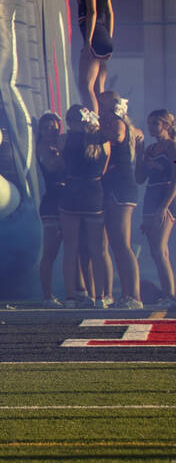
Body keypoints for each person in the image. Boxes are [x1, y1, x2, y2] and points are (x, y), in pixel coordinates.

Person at [59, 105, 111, 308]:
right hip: (94, 193)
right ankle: (100, 297)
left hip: (72, 192)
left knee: (71, 248)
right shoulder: (103, 141)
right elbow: (104, 169)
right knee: (97, 249)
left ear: (71, 122)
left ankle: (71, 297)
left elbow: (62, 165)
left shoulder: (64, 139)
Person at [96, 91, 143, 309]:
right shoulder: (112, 122)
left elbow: (115, 136)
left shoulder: (117, 123)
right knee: (114, 244)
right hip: (111, 188)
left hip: (122, 188)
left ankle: (134, 296)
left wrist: (93, 131)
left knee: (123, 244)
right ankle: (120, 294)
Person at [137, 109, 176, 306]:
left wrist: (164, 206)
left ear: (166, 126)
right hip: (150, 198)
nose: (151, 127)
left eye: (155, 123)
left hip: (165, 199)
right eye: (149, 123)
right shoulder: (150, 150)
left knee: (160, 249)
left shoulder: (173, 148)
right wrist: (138, 154)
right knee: (155, 251)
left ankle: (170, 296)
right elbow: (139, 178)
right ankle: (168, 294)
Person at [34, 112, 67, 306]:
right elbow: (53, 166)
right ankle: (47, 296)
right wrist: (63, 153)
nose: (50, 131)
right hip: (52, 203)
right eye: (45, 128)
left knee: (74, 249)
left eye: (53, 127)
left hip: (70, 200)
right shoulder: (42, 148)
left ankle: (78, 291)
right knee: (51, 251)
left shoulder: (63, 142)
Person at [76, 0, 113, 110]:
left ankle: (94, 124)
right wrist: (109, 37)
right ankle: (103, 120)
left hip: (95, 36)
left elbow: (92, 11)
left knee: (86, 86)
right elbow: (110, 13)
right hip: (103, 35)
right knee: (99, 88)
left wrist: (88, 43)